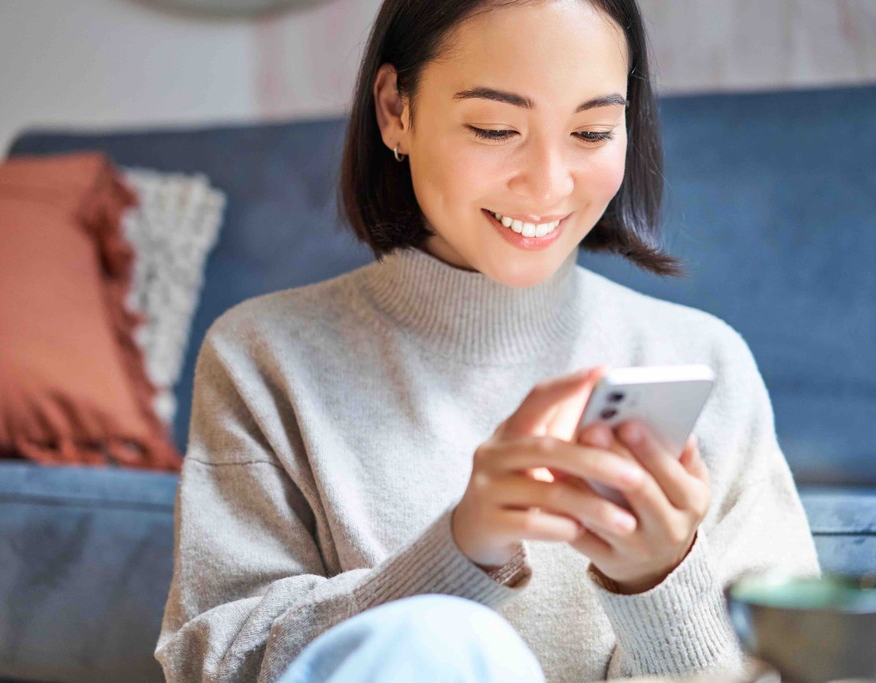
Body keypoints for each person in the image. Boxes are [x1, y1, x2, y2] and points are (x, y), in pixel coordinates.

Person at [154, 0, 821, 681]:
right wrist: (459, 551)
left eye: (591, 132)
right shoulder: (263, 358)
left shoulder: (705, 363)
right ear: (396, 110)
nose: (548, 183)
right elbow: (213, 664)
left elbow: (802, 665)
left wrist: (661, 582)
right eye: (496, 128)